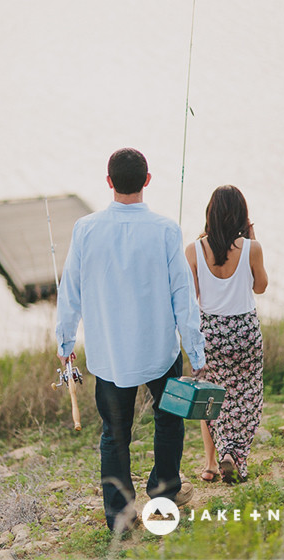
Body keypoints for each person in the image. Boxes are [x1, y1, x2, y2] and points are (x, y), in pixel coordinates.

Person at [55, 148, 206, 532]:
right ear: (147, 180)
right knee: (169, 423)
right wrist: (196, 350)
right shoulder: (166, 230)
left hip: (109, 354)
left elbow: (69, 289)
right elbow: (182, 296)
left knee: (114, 434)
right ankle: (162, 497)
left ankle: (120, 518)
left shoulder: (85, 229)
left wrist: (65, 342)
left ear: (109, 182)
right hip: (160, 350)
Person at [184, 185, 268, 484]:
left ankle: (210, 464)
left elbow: (192, 297)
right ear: (242, 216)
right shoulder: (251, 248)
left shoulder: (194, 250)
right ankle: (233, 454)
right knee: (247, 397)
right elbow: (260, 287)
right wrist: (251, 239)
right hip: (244, 331)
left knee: (211, 398)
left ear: (210, 214)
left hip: (211, 333)